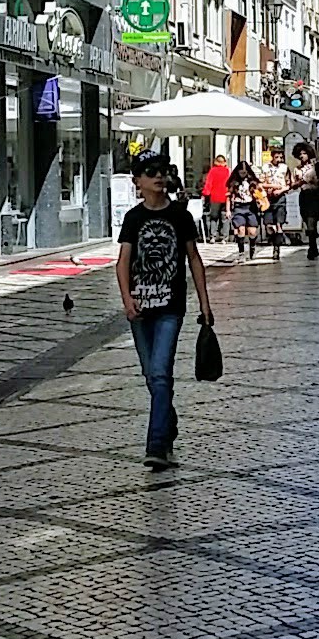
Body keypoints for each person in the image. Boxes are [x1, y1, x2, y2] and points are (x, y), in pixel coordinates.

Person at [116, 151, 213, 469]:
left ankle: (156, 445)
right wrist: (127, 300)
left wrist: (205, 303)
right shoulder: (133, 218)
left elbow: (194, 259)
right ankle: (168, 424)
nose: (158, 176)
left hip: (171, 307)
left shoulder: (181, 216)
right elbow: (123, 263)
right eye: (149, 171)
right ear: (138, 182)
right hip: (141, 308)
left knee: (160, 373)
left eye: (162, 170)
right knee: (151, 376)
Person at [292, 141, 319, 260]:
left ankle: (312, 247)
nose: (302, 156)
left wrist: (315, 181)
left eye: (304, 153)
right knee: (307, 221)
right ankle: (313, 241)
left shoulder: (316, 167)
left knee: (312, 220)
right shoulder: (297, 169)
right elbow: (294, 184)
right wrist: (298, 183)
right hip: (304, 196)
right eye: (300, 154)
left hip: (314, 195)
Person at [260, 144, 290, 258]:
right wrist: (272, 186)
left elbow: (288, 184)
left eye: (280, 157)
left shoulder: (284, 168)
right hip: (268, 199)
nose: (279, 159)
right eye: (277, 157)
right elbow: (260, 183)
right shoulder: (265, 168)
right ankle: (274, 240)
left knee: (279, 225)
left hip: (280, 198)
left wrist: (281, 190)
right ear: (272, 157)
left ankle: (276, 249)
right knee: (268, 226)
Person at [228, 160, 261, 261]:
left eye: (244, 172)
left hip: (250, 207)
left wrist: (260, 201)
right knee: (240, 229)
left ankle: (252, 247)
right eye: (241, 172)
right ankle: (241, 252)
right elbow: (229, 196)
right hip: (238, 207)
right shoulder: (234, 182)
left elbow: (259, 192)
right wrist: (228, 209)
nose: (242, 174)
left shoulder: (253, 182)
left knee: (252, 231)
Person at [199, 153, 230, 243]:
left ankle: (213, 236)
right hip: (225, 197)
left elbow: (208, 184)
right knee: (224, 218)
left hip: (214, 197)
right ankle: (224, 238)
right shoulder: (227, 171)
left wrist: (205, 195)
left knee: (214, 218)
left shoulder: (213, 171)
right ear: (224, 162)